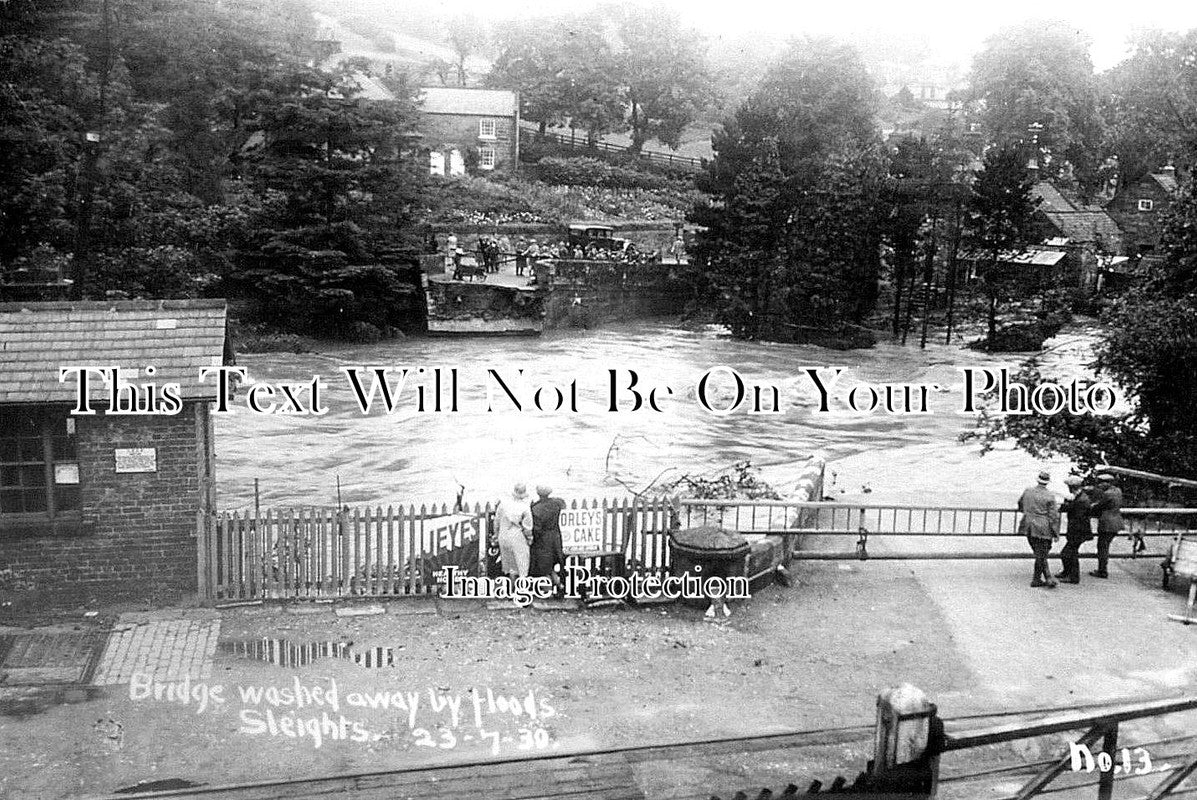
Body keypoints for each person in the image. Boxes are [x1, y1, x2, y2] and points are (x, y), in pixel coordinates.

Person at [1018, 470, 1060, 587]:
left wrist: (1028, 512)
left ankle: (1047, 577)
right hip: (1043, 527)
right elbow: (1053, 516)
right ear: (1047, 482)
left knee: (1039, 553)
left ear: (1038, 480)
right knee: (1042, 554)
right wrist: (1056, 533)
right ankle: (1037, 579)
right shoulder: (1050, 496)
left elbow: (1020, 504)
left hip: (1029, 525)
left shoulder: (1028, 491)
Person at [529, 486, 567, 595]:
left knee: (544, 566)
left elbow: (537, 529)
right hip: (555, 537)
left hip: (543, 541)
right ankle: (558, 585)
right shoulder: (556, 504)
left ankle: (552, 588)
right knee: (551, 565)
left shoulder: (537, 508)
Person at [1057, 476, 1093, 583]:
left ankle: (1073, 577)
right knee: (1070, 553)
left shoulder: (1080, 500)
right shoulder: (1081, 497)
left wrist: (1066, 503)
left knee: (1068, 553)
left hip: (1078, 531)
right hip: (1080, 530)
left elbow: (1068, 509)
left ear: (1071, 487)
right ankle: (1067, 573)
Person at [495, 483, 533, 585]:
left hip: (503, 535)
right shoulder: (525, 507)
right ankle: (521, 589)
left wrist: (496, 535)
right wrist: (529, 539)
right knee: (521, 563)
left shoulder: (502, 505)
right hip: (517, 536)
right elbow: (527, 527)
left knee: (510, 565)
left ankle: (511, 588)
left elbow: (496, 522)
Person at [1089, 472, 1124, 578]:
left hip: (1107, 523)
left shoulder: (1107, 494)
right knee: (1105, 546)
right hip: (1116, 521)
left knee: (1102, 547)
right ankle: (1102, 569)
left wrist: (1092, 506)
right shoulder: (1118, 491)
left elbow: (1099, 506)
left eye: (1101, 483)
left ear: (1107, 483)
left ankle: (1102, 571)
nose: (1099, 485)